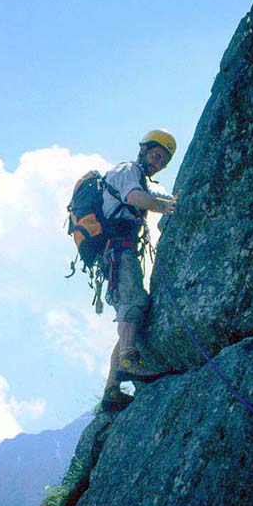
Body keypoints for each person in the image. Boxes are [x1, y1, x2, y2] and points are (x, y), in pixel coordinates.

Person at [101, 129, 178, 412]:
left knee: (129, 319)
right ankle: (129, 359)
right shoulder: (128, 170)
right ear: (143, 149)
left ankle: (112, 391)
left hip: (121, 250)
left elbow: (154, 194)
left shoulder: (141, 178)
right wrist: (164, 207)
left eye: (162, 161)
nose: (157, 162)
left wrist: (171, 200)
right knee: (134, 302)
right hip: (118, 250)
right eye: (156, 155)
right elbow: (135, 198)